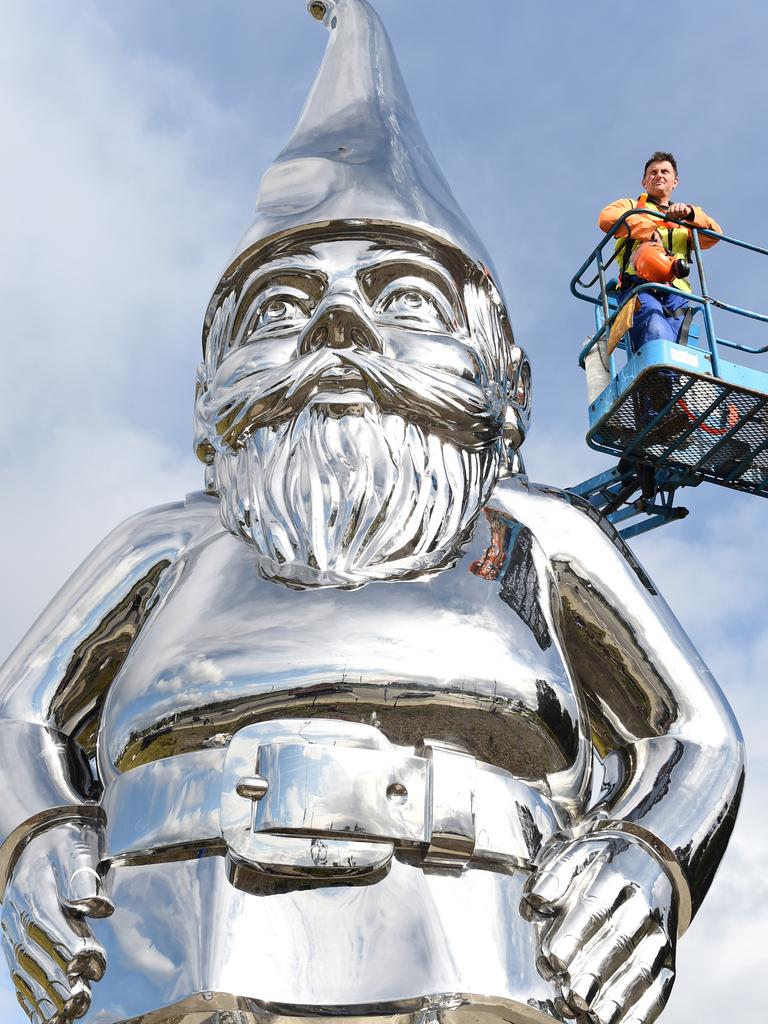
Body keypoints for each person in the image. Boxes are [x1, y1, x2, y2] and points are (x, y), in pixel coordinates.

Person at [0, 8, 743, 1024]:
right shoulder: (164, 546)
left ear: (504, 381)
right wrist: (37, 834)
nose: (337, 330)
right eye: (280, 309)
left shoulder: (538, 540)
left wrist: (648, 855)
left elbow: (690, 735)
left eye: (401, 299)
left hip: (489, 950)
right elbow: (22, 713)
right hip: (171, 951)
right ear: (208, 396)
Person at [599, 151, 722, 354]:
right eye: (653, 172)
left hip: (676, 295)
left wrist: (690, 213)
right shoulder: (631, 206)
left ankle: (665, 383)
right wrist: (647, 228)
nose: (659, 175)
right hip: (638, 287)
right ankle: (658, 381)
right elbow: (606, 218)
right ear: (644, 182)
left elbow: (714, 235)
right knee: (654, 329)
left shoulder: (688, 217)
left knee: (676, 351)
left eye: (665, 171)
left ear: (675, 181)